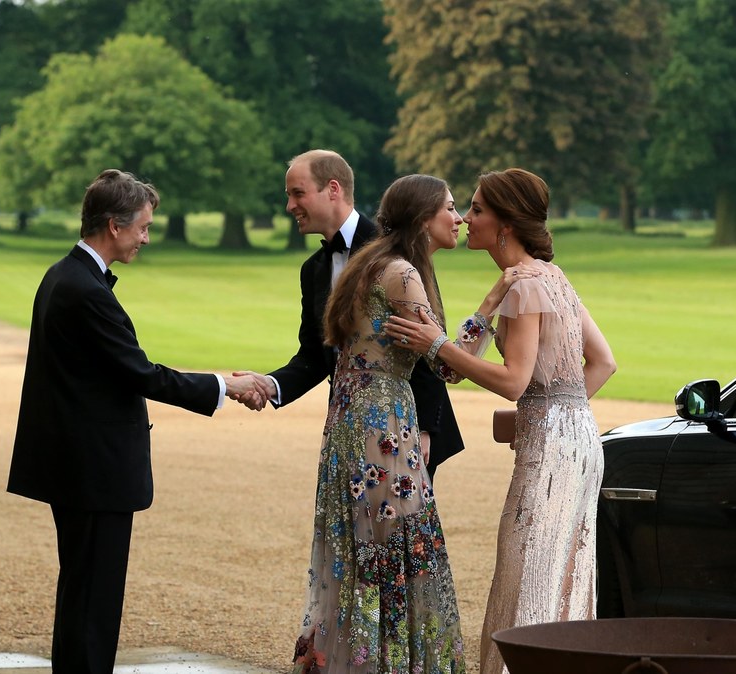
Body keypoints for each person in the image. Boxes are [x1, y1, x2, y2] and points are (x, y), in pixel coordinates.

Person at [8, 169, 261, 674]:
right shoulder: (84, 290)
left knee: (82, 591)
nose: (147, 237)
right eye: (142, 227)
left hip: (77, 466)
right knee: (94, 599)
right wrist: (223, 386)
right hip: (92, 471)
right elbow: (141, 373)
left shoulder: (65, 276)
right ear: (113, 225)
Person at [385, 168, 617, 674]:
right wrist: (551, 414)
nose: (467, 218)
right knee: (564, 577)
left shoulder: (526, 288)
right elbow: (603, 363)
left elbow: (513, 380)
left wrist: (439, 344)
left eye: (479, 209)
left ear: (506, 225)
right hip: (579, 442)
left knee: (527, 574)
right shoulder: (549, 277)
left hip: (552, 456)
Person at [291, 173, 467, 674]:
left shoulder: (368, 264)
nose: (457, 218)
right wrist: (495, 304)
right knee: (397, 550)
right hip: (383, 427)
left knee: (360, 550)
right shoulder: (404, 274)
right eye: (450, 209)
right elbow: (448, 364)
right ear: (423, 217)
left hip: (349, 422)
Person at [233, 149, 464, 477]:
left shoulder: (394, 250)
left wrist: (425, 428)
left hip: (406, 425)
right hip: (348, 423)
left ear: (333, 189)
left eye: (298, 194)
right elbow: (315, 355)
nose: (289, 206)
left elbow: (425, 337)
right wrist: (270, 385)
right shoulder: (312, 269)